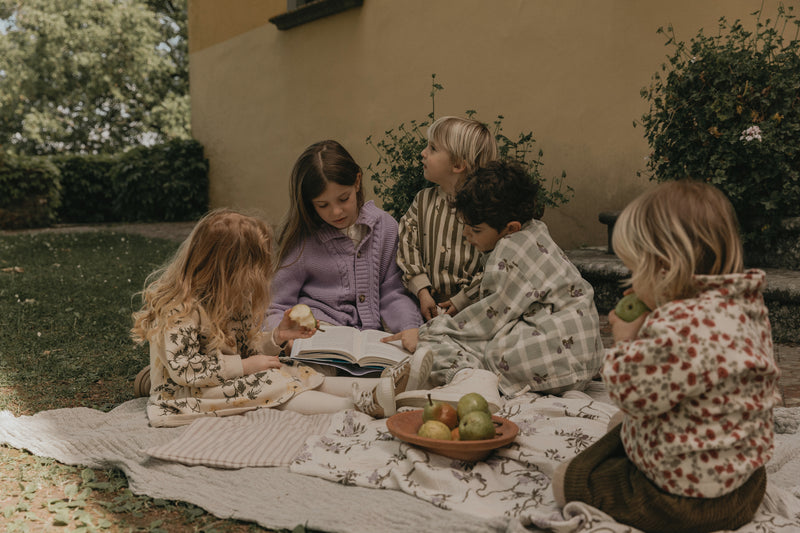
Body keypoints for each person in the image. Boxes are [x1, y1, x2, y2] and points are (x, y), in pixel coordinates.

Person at [551, 180, 781, 532]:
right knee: (621, 428)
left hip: (683, 503)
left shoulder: (676, 327)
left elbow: (628, 395)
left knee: (569, 479)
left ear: (663, 268)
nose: (630, 284)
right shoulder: (745, 305)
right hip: (745, 485)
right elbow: (699, 371)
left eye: (634, 270)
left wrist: (626, 341)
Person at [131, 209, 410, 427]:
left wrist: (278, 337)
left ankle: (387, 388)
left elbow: (247, 349)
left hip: (219, 381)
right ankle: (356, 405)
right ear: (226, 269)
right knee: (271, 384)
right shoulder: (180, 310)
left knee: (293, 370)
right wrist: (244, 366)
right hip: (186, 396)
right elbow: (186, 370)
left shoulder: (230, 302)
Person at [387, 160, 603, 398]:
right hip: (583, 353)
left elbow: (486, 320)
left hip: (561, 359)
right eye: (466, 227)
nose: (467, 235)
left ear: (510, 227)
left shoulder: (511, 252)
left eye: (476, 230)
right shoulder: (533, 232)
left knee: (448, 348)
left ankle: (468, 381)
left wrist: (425, 334)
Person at [266, 140, 422, 335]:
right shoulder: (303, 240)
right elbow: (275, 307)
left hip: (372, 340)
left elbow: (394, 292)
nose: (336, 212)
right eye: (323, 205)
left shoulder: (386, 227)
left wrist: (409, 327)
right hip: (319, 335)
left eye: (343, 198)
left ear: (357, 182)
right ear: (309, 203)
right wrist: (284, 337)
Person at [396, 116, 498, 321]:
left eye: (432, 148)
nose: (423, 153)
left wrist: (463, 300)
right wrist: (422, 291)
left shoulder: (486, 211)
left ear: (458, 164)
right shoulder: (423, 200)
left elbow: (494, 263)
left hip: (473, 308)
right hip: (423, 302)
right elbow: (408, 244)